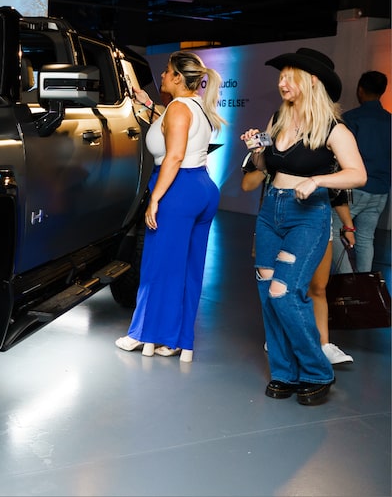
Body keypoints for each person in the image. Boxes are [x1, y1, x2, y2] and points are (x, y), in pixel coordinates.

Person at [241, 48, 366, 406]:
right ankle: (283, 372)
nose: (281, 83)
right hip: (271, 213)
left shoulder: (333, 128)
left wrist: (317, 180)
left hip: (307, 215)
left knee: (284, 292)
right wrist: (256, 150)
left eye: (288, 76)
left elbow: (358, 174)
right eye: (280, 77)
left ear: (312, 81)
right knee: (267, 291)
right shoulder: (278, 119)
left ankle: (316, 371)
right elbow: (264, 167)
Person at [115, 51, 226, 363]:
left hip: (178, 189)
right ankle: (177, 340)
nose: (161, 76)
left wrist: (155, 198)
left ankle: (142, 334)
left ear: (178, 77)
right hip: (202, 188)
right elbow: (170, 123)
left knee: (157, 267)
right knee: (187, 269)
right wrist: (148, 104)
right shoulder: (196, 106)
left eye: (166, 71)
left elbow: (174, 156)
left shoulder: (178, 109)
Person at [241, 157, 354, 365]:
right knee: (277, 285)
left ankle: (323, 344)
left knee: (318, 287)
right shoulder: (274, 146)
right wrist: (269, 164)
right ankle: (279, 338)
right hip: (278, 219)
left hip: (317, 219)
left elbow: (338, 196)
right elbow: (247, 184)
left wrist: (348, 226)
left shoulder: (330, 147)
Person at [331, 71, 391, 273]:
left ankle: (347, 279)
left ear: (360, 90)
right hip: (381, 190)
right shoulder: (389, 121)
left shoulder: (350, 119)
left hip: (354, 189)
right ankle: (363, 285)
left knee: (336, 231)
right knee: (366, 239)